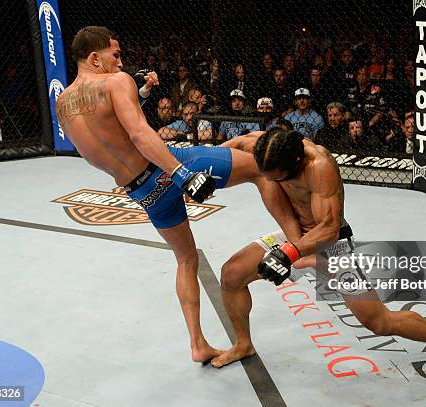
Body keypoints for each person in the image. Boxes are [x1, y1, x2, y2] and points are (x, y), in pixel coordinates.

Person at [56, 26, 298, 363]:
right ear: (95, 57)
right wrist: (180, 173)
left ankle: (197, 343)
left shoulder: (64, 102)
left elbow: (98, 140)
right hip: (167, 169)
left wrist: (138, 97)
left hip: (140, 190)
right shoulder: (115, 81)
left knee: (186, 259)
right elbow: (139, 133)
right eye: (115, 55)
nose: (120, 61)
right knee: (260, 167)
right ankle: (297, 240)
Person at [212, 129, 426, 373]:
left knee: (377, 321)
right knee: (232, 274)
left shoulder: (319, 165)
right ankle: (243, 344)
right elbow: (229, 148)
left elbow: (329, 228)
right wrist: (200, 172)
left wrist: (288, 254)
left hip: (331, 244)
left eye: (277, 176)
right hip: (292, 235)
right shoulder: (264, 147)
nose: (270, 181)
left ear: (294, 161)